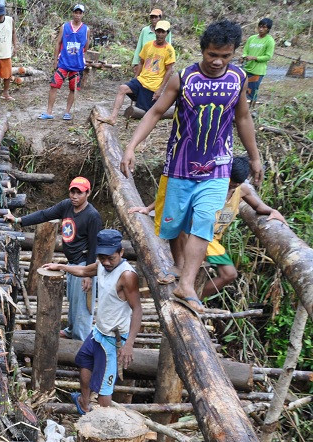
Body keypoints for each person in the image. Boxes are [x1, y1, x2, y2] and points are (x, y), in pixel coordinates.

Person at [121, 19, 263, 315]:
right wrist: (132, 146)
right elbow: (155, 112)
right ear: (203, 50)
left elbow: (243, 118)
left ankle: (186, 284)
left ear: (234, 53)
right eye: (212, 54)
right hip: (180, 166)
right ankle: (178, 266)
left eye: (225, 55)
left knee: (203, 223)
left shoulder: (238, 79)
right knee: (174, 226)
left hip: (217, 167)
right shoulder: (183, 78)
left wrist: (254, 156)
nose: (217, 61)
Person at [130, 156, 285, 297]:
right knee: (181, 227)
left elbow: (258, 207)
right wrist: (149, 208)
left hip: (212, 240)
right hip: (196, 235)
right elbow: (176, 198)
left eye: (234, 187)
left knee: (229, 274)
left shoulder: (242, 190)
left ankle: (196, 296)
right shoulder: (208, 183)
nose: (229, 190)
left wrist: (273, 211)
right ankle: (183, 277)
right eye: (229, 184)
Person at [44, 229, 142, 413]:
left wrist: (129, 344)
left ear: (121, 252)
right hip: (99, 331)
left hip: (114, 338)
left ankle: (104, 423)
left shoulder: (127, 276)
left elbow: (137, 309)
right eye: (102, 257)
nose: (106, 262)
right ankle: (84, 402)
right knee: (84, 360)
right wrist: (61, 267)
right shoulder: (102, 264)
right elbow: (83, 270)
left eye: (110, 258)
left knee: (105, 386)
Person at [5, 177, 102, 341]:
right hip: (72, 262)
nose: (75, 196)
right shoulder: (66, 206)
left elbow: (94, 246)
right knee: (73, 301)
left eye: (80, 192)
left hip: (84, 264)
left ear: (88, 193)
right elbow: (44, 214)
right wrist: (19, 220)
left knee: (82, 308)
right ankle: (72, 330)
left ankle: (81, 342)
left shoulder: (93, 216)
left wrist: (89, 275)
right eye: (73, 191)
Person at [105, 20, 175, 124]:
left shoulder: (169, 50)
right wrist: (136, 77)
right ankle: (113, 117)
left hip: (153, 86)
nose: (160, 34)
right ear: (155, 32)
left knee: (145, 114)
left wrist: (160, 90)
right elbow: (141, 62)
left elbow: (169, 70)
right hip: (141, 80)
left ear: (167, 33)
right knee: (122, 88)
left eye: (163, 32)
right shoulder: (148, 45)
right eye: (158, 31)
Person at [40, 3, 91, 121]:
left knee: (73, 89)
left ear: (82, 15)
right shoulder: (65, 27)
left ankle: (67, 112)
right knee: (54, 85)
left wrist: (80, 56)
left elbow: (86, 46)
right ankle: (49, 111)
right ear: (72, 13)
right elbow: (58, 43)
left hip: (77, 65)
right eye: (76, 12)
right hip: (63, 62)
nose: (77, 15)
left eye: (80, 13)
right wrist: (55, 60)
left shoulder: (86, 30)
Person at [242, 18, 276, 105]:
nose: (261, 29)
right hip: (246, 68)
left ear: (268, 29)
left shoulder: (269, 41)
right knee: (242, 90)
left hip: (257, 71)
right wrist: (244, 56)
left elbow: (268, 56)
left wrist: (254, 58)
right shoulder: (251, 38)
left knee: (252, 92)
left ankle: (252, 110)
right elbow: (245, 50)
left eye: (264, 27)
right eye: (260, 27)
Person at [133, 8, 174, 75]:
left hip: (158, 63)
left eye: (156, 17)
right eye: (152, 17)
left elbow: (168, 48)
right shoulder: (145, 30)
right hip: (145, 61)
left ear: (160, 18)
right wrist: (135, 63)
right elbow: (139, 47)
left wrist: (169, 66)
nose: (153, 19)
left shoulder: (166, 31)